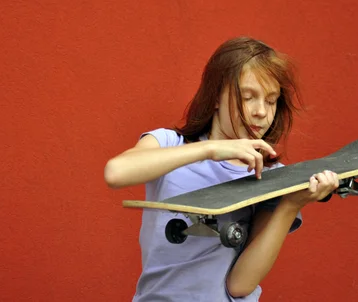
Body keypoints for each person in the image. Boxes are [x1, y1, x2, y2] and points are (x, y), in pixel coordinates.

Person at [104, 36, 339, 301]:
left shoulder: (273, 177)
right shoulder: (170, 143)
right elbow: (116, 173)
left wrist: (290, 205)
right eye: (248, 97)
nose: (261, 111)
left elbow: (240, 285)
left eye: (271, 101)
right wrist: (210, 149)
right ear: (216, 96)